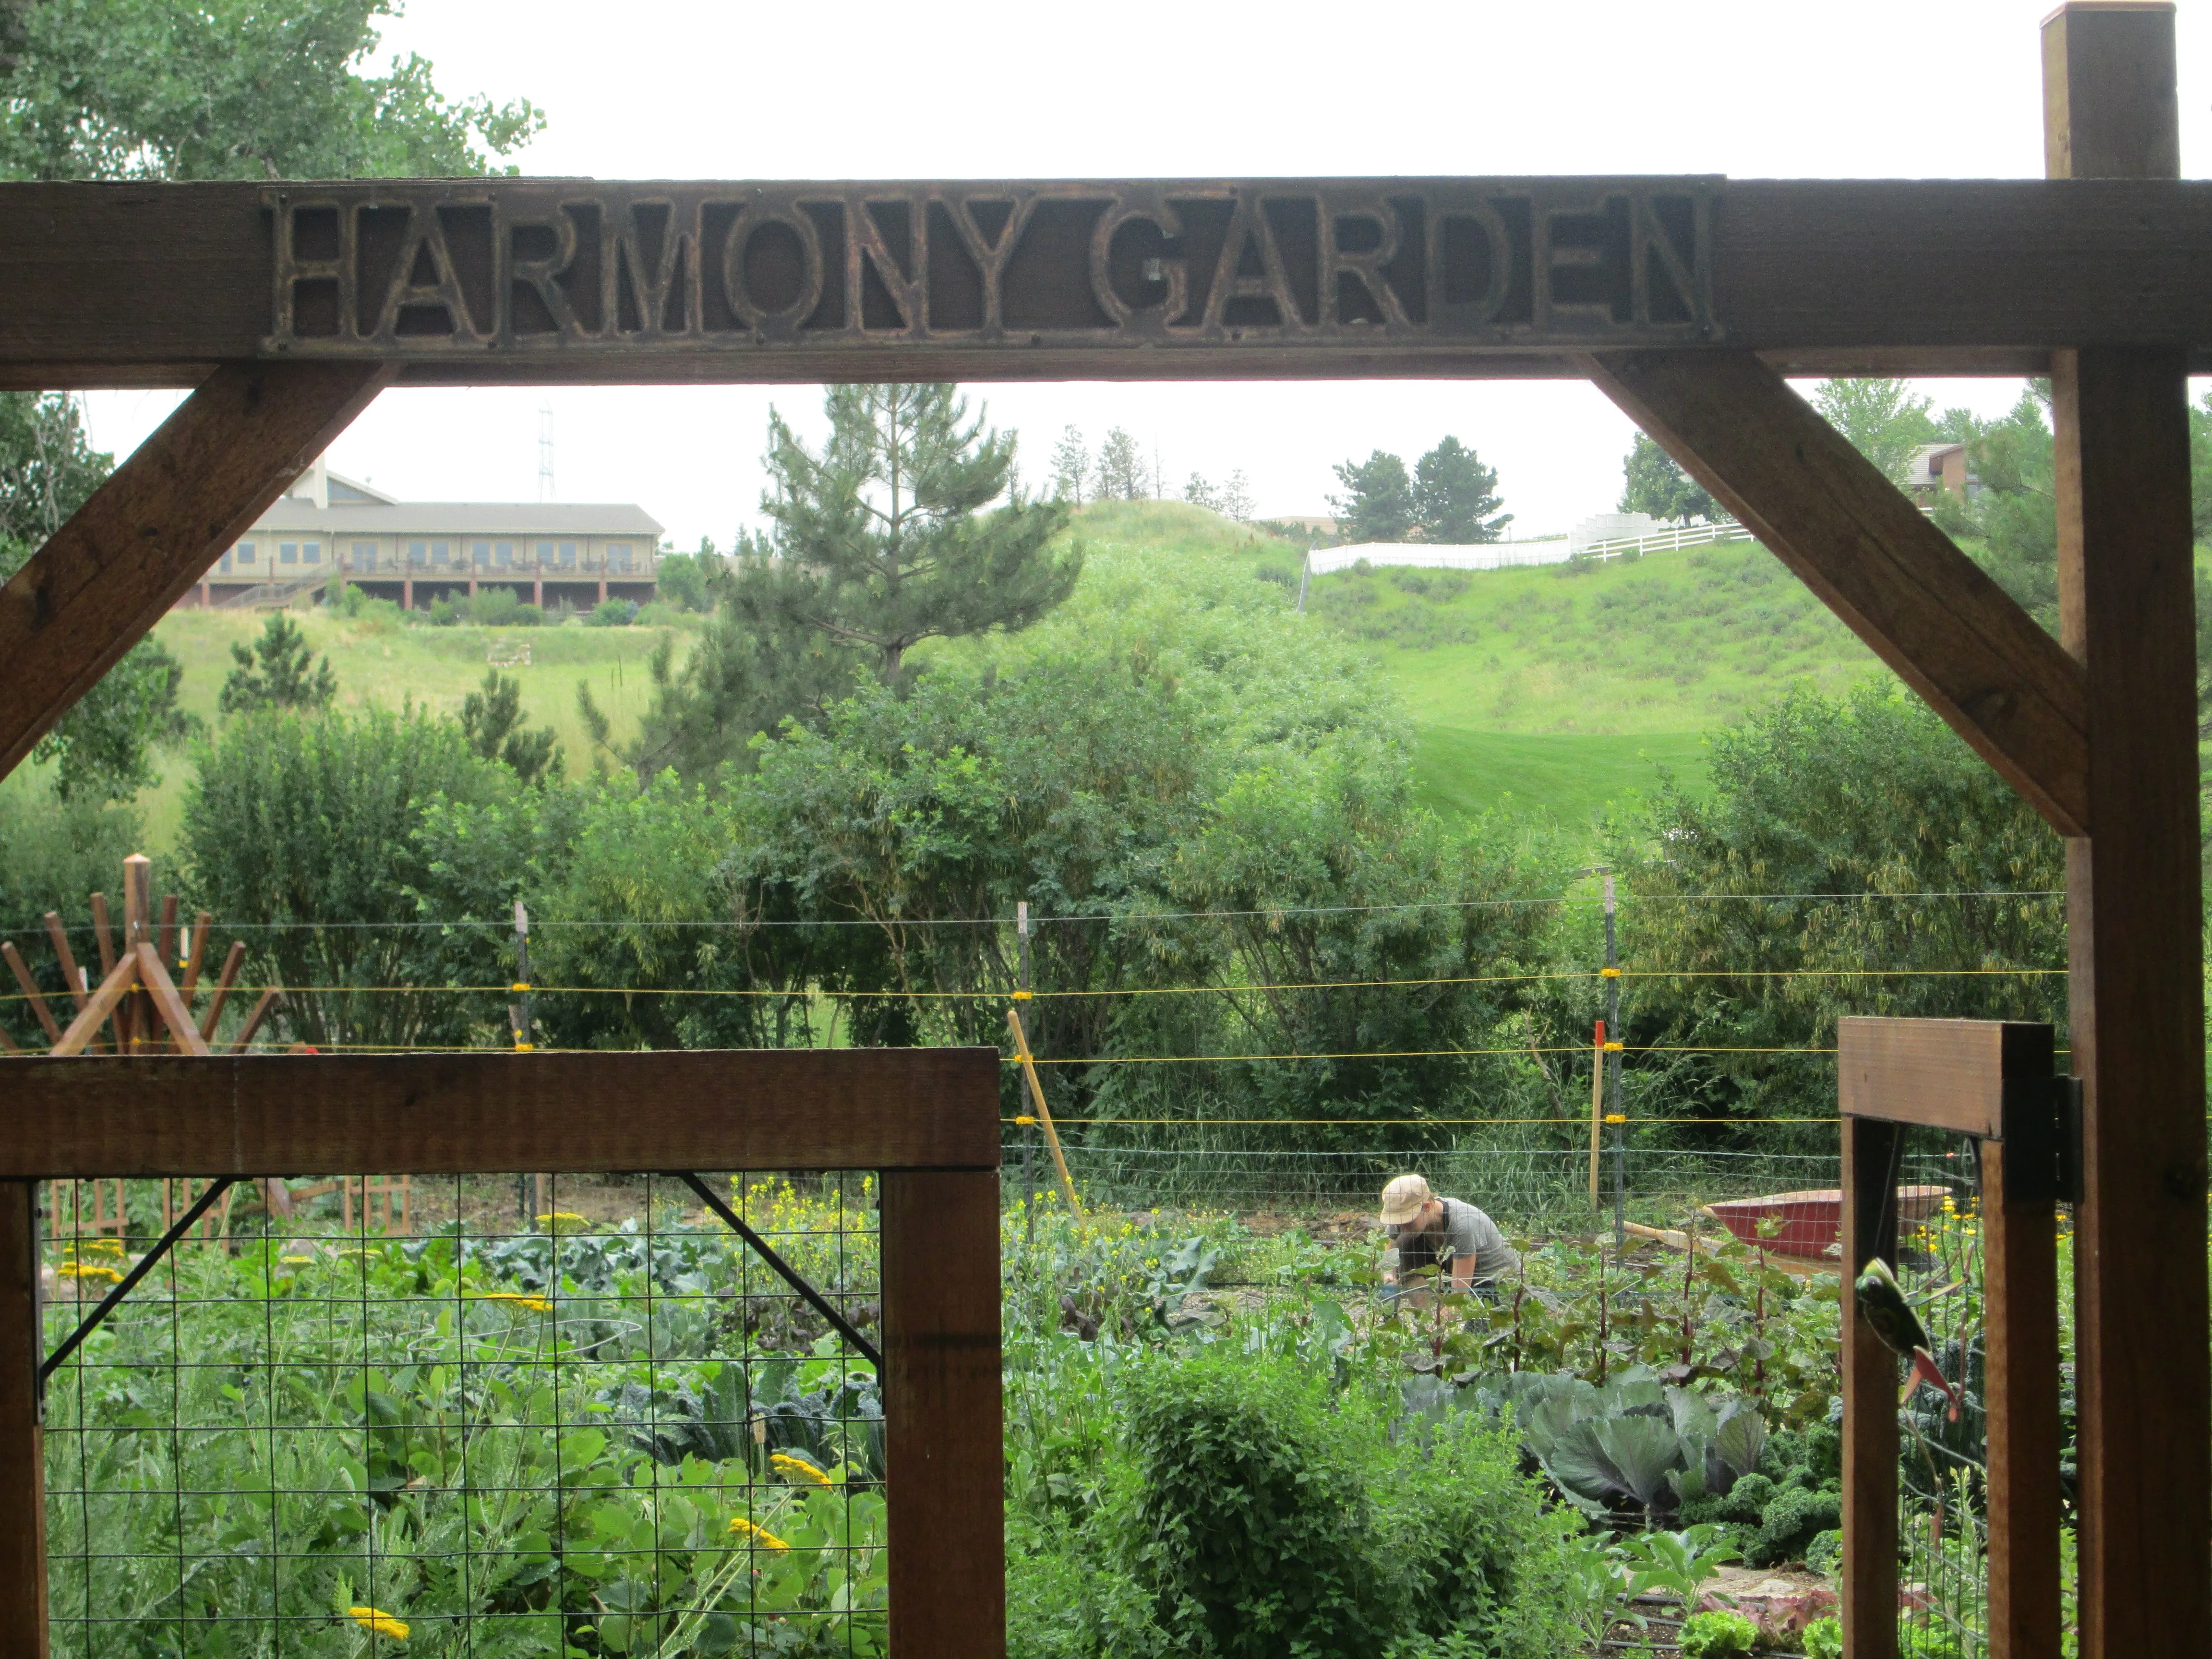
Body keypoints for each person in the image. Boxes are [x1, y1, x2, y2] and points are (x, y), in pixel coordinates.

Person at [1378, 1173, 1519, 1296]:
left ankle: (1435, 1324)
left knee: (1474, 1324)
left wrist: (1445, 1320)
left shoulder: (1463, 1224)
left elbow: (1459, 1293)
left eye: (1407, 1220)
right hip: (1452, 1272)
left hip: (1493, 1284)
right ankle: (1425, 1318)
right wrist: (1389, 1281)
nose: (1400, 1226)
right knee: (1404, 1243)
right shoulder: (1402, 1220)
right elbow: (1390, 1255)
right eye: (1397, 1220)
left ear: (1426, 1207)